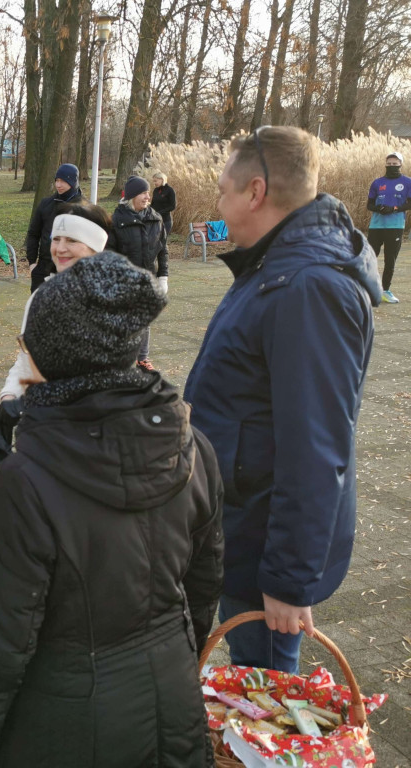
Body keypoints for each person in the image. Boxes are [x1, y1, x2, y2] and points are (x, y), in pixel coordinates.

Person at [0, 252, 224, 768]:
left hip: (66, 723)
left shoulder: (27, 479)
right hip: (174, 703)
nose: (22, 355)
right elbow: (204, 587)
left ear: (56, 357)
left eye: (28, 346)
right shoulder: (192, 444)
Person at [185, 126, 380, 673]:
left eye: (223, 190)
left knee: (269, 697)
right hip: (236, 522)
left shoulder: (309, 286)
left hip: (260, 545)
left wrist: (289, 581)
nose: (219, 203)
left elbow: (317, 446)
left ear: (255, 191)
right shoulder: (274, 264)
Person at [0, 203, 112, 465]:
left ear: (95, 247)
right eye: (56, 239)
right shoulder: (40, 297)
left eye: (72, 240)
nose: (59, 248)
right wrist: (9, 397)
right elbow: (27, 360)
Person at [109, 175, 168, 371]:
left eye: (148, 192)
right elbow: (109, 253)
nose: (147, 196)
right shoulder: (117, 220)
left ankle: (142, 358)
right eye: (143, 193)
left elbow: (163, 250)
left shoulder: (156, 218)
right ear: (132, 196)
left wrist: (163, 276)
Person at [24, 163, 84, 292]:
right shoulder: (46, 204)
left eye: (63, 181)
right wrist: (32, 263)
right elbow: (34, 234)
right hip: (43, 268)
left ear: (73, 182)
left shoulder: (84, 208)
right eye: (57, 180)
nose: (58, 185)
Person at [366, 151, 410, 304]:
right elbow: (369, 204)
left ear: (400, 165)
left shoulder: (407, 182)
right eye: (389, 164)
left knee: (390, 260)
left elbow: (409, 203)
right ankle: (365, 288)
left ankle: (385, 290)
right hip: (376, 226)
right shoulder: (377, 182)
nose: (391, 166)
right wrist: (379, 208)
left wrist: (395, 208)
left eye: (395, 164)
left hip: (395, 226)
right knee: (369, 257)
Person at [151, 170, 177, 236]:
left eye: (155, 181)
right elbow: (153, 204)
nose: (154, 183)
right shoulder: (155, 190)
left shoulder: (170, 190)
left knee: (162, 241)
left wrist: (159, 212)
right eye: (154, 181)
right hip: (155, 220)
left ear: (162, 179)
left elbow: (172, 206)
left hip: (166, 221)